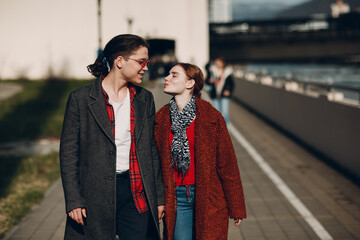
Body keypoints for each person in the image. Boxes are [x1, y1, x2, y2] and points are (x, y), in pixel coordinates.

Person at [60, 34, 165, 240]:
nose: (145, 67)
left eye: (147, 62)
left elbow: (151, 150)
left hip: (136, 191)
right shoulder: (80, 99)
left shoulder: (145, 99)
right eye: (141, 61)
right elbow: (69, 155)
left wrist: (158, 196)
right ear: (119, 61)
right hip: (95, 193)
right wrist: (74, 200)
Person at [154, 63, 246, 240]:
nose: (166, 78)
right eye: (168, 74)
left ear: (190, 83)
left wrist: (236, 206)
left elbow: (227, 164)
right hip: (176, 197)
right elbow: (154, 163)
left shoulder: (211, 117)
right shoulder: (161, 117)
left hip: (208, 194)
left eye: (174, 75)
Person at [205, 56, 234, 124]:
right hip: (214, 95)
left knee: (224, 113)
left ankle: (225, 130)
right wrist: (209, 81)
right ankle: (218, 129)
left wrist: (228, 90)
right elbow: (206, 81)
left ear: (223, 63)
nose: (217, 63)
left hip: (224, 96)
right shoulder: (212, 71)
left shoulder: (228, 72)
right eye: (216, 62)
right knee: (216, 114)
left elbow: (231, 84)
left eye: (219, 62)